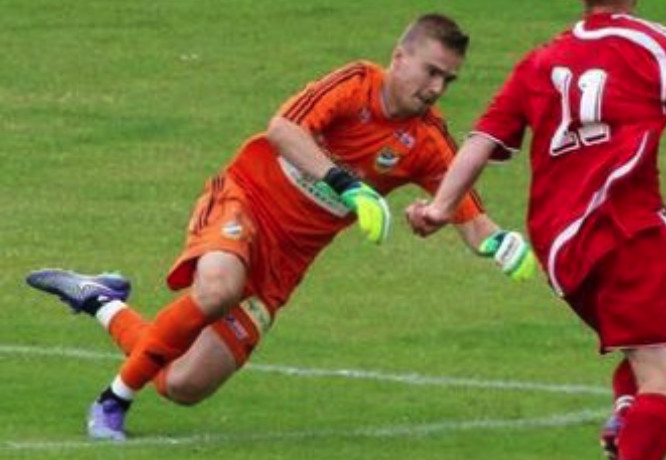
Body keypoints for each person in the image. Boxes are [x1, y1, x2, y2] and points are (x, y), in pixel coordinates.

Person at [26, 13, 535, 441]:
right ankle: (113, 401)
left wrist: (498, 243)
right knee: (218, 289)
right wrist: (348, 185)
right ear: (399, 58)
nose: (437, 88)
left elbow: (464, 210)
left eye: (448, 80)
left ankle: (100, 299)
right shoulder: (355, 84)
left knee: (182, 385)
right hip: (243, 203)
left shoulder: (425, 140)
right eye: (431, 72)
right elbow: (283, 130)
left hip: (281, 269)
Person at [405, 1, 666, 459]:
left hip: (560, 249)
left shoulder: (541, 60)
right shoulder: (648, 44)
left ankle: (626, 412)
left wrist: (442, 207)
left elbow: (483, 138)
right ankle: (634, 427)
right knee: (664, 377)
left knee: (639, 352)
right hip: (626, 230)